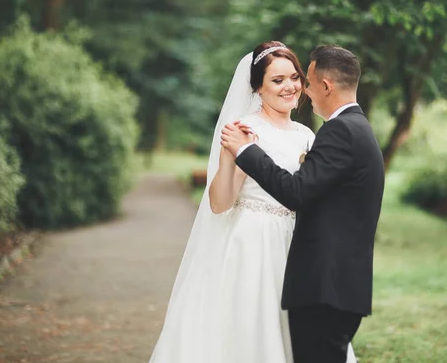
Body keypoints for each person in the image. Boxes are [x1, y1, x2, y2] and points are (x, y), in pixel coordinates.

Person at [149, 41, 357, 363]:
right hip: (252, 244)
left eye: (294, 77)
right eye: (277, 80)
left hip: (295, 245)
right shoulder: (246, 129)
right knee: (251, 329)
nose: (289, 87)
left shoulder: (307, 135)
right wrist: (229, 156)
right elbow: (220, 204)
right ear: (258, 87)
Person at [221, 45, 385, 363]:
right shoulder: (359, 129)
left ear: (325, 86)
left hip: (324, 288)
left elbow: (297, 191)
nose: (302, 91)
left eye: (304, 82)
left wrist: (247, 151)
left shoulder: (339, 132)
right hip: (339, 284)